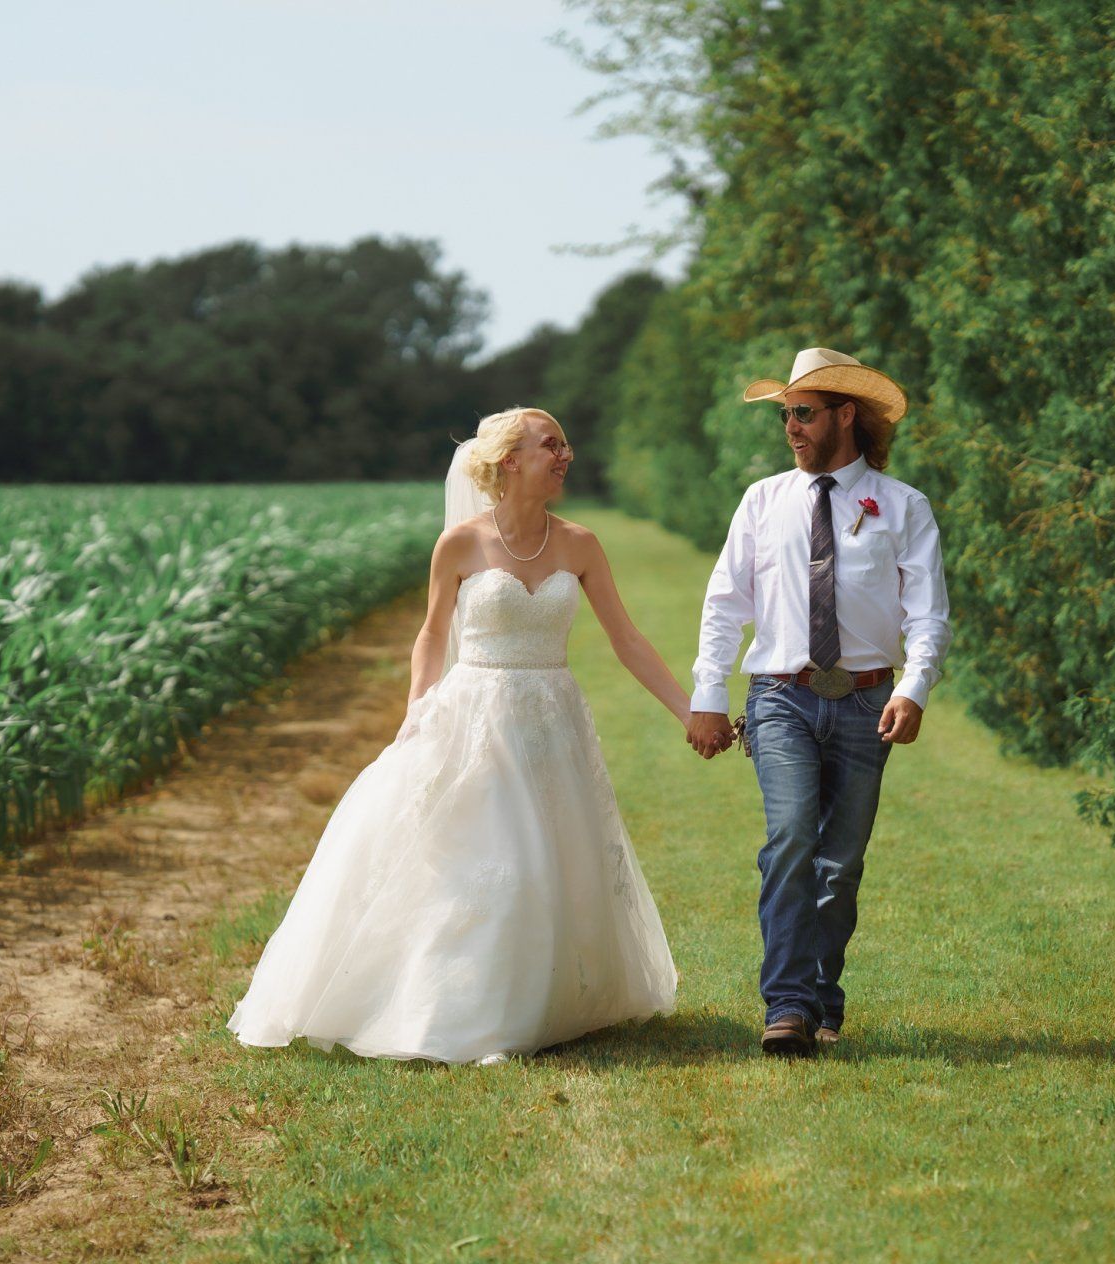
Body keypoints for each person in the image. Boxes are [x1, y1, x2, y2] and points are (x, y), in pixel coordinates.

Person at [227, 407, 683, 1064]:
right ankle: (473, 1015)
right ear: (507, 461)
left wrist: (689, 708)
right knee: (494, 863)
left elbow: (628, 639)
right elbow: (433, 633)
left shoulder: (580, 543)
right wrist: (417, 710)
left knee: (554, 861)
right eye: (549, 445)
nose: (565, 455)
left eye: (565, 444)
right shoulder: (461, 544)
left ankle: (546, 1000)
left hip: (552, 719)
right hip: (477, 715)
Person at [687, 348, 952, 1057]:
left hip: (868, 703)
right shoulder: (762, 502)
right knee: (793, 836)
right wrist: (708, 694)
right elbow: (723, 604)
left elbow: (928, 614)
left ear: (845, 416)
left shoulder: (904, 507)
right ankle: (788, 1005)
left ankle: (822, 999)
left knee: (840, 865)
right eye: (785, 415)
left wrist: (914, 687)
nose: (791, 429)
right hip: (780, 698)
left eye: (803, 413)